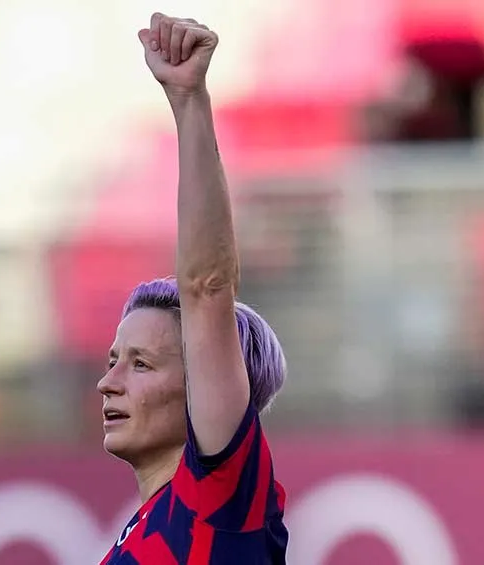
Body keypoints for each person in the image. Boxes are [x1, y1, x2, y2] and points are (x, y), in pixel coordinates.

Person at [97, 13, 289, 565]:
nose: (107, 383)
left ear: (204, 381)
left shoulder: (218, 498)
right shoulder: (144, 530)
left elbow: (206, 287)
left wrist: (188, 102)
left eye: (140, 363)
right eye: (115, 360)